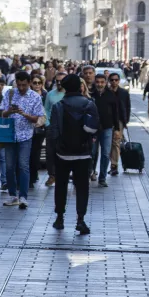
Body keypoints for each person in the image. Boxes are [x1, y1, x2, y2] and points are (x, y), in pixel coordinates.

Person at [47, 74, 99, 234]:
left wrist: (54, 151)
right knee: (82, 187)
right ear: (79, 86)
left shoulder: (58, 106)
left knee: (61, 186)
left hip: (63, 154)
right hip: (83, 154)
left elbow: (53, 132)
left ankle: (59, 218)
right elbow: (94, 128)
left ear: (64, 88)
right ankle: (80, 220)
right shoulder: (89, 104)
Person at [0, 71, 45, 209]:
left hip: (26, 136)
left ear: (29, 83)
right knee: (9, 166)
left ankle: (23, 197)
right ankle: (13, 195)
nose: (21, 88)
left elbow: (36, 118)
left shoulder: (35, 97)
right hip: (10, 135)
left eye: (24, 85)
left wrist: (24, 114)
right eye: (19, 85)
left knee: (23, 165)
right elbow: (2, 113)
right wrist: (10, 111)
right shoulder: (10, 93)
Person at [90, 73, 120, 186]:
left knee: (106, 153)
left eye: (102, 82)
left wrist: (117, 129)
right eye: (98, 82)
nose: (100, 84)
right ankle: (91, 172)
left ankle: (102, 178)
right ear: (95, 82)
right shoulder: (91, 95)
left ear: (106, 83)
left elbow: (115, 113)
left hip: (107, 128)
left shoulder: (111, 95)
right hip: (93, 129)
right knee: (92, 152)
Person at [43, 73, 67, 186]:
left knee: (64, 153)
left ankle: (63, 175)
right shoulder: (50, 94)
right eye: (57, 81)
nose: (59, 83)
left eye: (61, 81)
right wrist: (47, 124)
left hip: (66, 128)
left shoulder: (69, 94)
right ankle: (52, 175)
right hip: (51, 127)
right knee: (50, 152)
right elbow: (46, 109)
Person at [109, 72, 131, 176]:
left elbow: (127, 106)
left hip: (119, 120)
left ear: (118, 81)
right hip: (107, 120)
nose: (114, 82)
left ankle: (114, 166)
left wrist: (126, 120)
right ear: (109, 81)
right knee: (107, 144)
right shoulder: (106, 92)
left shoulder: (124, 92)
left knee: (116, 142)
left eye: (116, 80)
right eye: (112, 80)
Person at [28, 75, 47, 188]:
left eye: (39, 82)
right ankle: (30, 176)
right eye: (34, 82)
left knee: (36, 153)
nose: (37, 85)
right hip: (28, 126)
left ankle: (34, 175)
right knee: (28, 153)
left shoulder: (45, 95)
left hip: (40, 127)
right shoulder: (28, 95)